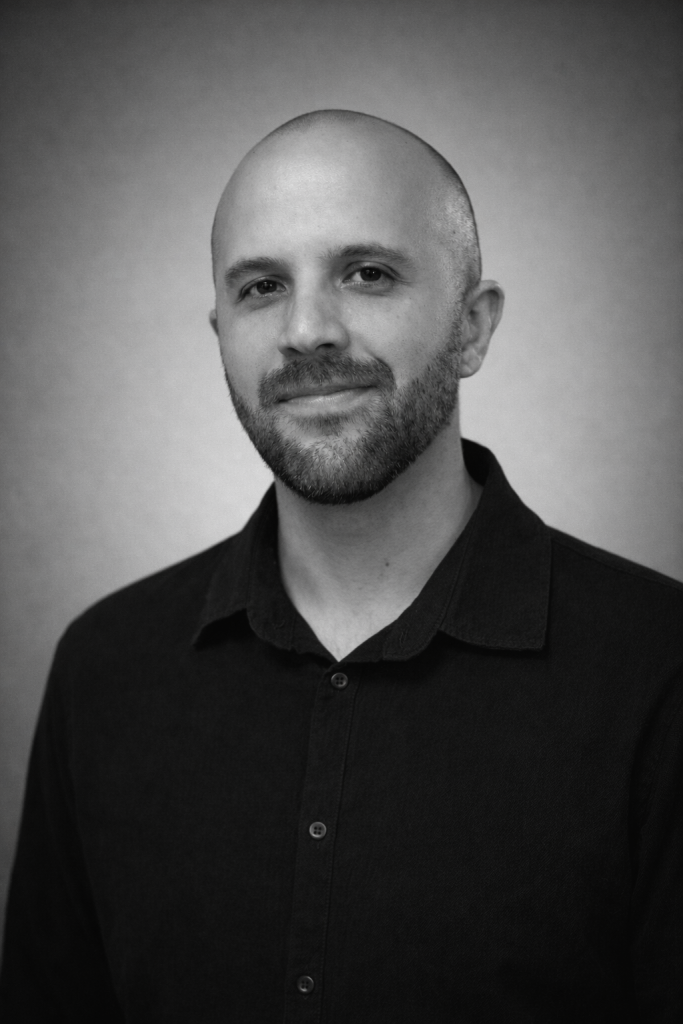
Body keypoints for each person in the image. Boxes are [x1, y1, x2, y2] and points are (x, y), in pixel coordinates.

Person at [1, 110, 681, 1023]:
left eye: (367, 274)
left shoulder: (659, 668)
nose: (306, 330)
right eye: (261, 287)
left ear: (472, 328)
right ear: (220, 333)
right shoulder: (103, 669)